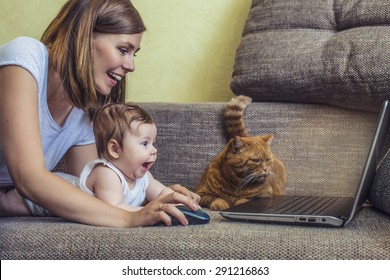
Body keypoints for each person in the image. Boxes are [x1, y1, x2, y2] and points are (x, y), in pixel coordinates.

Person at [0, 0, 200, 227]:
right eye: (123, 50)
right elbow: (29, 180)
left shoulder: (84, 111)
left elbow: (93, 187)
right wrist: (129, 218)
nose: (131, 66)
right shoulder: (25, 57)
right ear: (84, 37)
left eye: (134, 54)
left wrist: (157, 198)